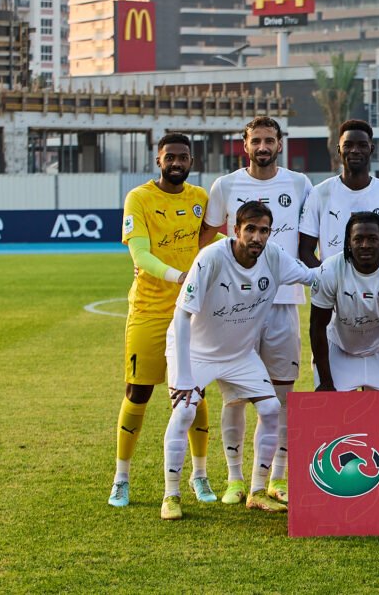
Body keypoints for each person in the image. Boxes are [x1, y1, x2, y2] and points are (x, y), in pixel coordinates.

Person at [160, 201, 315, 520]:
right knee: (184, 411)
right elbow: (181, 315)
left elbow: (313, 276)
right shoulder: (212, 257)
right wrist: (185, 375)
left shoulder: (274, 256)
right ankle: (171, 495)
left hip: (239, 354)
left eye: (264, 231)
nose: (257, 237)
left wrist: (355, 267)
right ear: (236, 230)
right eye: (251, 229)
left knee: (270, 408)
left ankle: (257, 492)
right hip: (195, 352)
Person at [197, 116, 312, 506]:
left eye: (269, 140)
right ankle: (235, 479)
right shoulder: (225, 185)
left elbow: (311, 239)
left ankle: (276, 478)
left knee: (282, 396)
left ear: (280, 144)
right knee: (234, 397)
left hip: (283, 303)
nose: (263, 147)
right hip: (236, 310)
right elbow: (206, 240)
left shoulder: (299, 184)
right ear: (244, 145)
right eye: (256, 140)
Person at [109, 133, 213, 509]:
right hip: (149, 311)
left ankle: (199, 475)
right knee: (138, 391)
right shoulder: (139, 198)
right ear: (159, 160)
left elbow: (213, 239)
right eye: (170, 157)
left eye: (183, 157)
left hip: (190, 312)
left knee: (194, 392)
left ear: (191, 161)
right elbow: (139, 255)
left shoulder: (200, 198)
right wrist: (179, 276)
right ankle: (121, 478)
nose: (176, 163)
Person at [310, 212, 379, 392]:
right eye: (358, 239)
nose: (365, 245)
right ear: (348, 241)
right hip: (340, 346)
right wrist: (326, 381)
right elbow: (317, 326)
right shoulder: (329, 270)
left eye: (372, 239)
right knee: (333, 408)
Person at [299, 119, 379, 267]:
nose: (355, 150)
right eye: (348, 145)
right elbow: (305, 250)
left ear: (371, 149)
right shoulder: (319, 194)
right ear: (339, 149)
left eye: (362, 145)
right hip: (333, 281)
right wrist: (325, 277)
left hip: (378, 281)